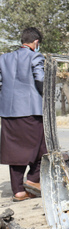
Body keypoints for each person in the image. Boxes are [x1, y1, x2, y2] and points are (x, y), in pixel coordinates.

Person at [0, 27, 46, 202]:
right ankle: (33, 180)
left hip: (8, 112)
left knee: (15, 152)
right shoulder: (36, 56)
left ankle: (18, 191)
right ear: (36, 43)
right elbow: (40, 79)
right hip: (30, 111)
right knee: (42, 148)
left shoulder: (3, 58)